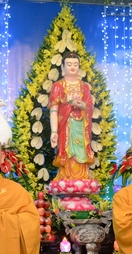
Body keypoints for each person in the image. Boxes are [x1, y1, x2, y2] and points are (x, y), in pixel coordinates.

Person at [49, 51, 95, 180]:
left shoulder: (84, 86)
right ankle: (66, 177)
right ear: (63, 67)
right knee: (67, 151)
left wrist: (82, 105)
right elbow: (54, 110)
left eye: (75, 64)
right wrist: (54, 132)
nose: (72, 67)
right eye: (69, 64)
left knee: (81, 151)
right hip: (65, 126)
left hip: (81, 125)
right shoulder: (58, 86)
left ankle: (82, 177)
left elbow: (89, 106)